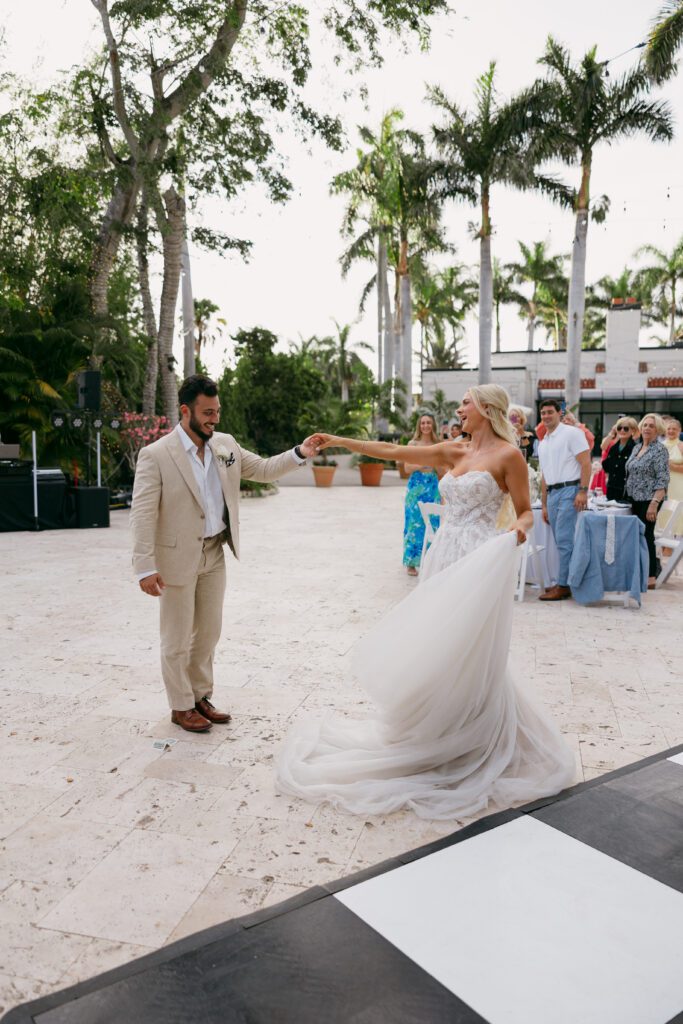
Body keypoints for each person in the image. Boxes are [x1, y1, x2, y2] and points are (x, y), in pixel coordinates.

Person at [275, 385, 574, 820]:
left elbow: (526, 510)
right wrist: (339, 441)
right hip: (442, 555)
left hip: (478, 559)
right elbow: (391, 449)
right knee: (435, 643)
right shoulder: (454, 450)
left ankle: (468, 733)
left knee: (464, 647)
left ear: (487, 410)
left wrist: (518, 533)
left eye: (465, 403)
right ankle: (434, 728)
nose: (459, 409)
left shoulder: (509, 457)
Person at [130, 374, 318, 733]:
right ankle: (180, 705)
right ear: (185, 411)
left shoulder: (225, 444)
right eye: (207, 413)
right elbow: (141, 514)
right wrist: (143, 567)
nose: (214, 420)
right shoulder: (155, 455)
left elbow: (261, 469)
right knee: (176, 637)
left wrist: (299, 453)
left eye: (217, 412)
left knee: (209, 632)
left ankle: (200, 695)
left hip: (214, 553)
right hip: (174, 559)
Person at [537, 398, 591, 601]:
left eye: (550, 412)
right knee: (560, 540)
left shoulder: (572, 434)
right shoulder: (544, 442)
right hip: (552, 493)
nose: (546, 416)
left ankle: (564, 585)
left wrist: (583, 491)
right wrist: (543, 503)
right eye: (543, 413)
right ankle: (564, 580)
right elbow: (544, 474)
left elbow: (585, 463)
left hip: (570, 490)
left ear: (560, 413)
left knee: (565, 540)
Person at [625, 414, 670, 588]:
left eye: (651, 426)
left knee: (646, 536)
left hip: (648, 500)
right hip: (633, 498)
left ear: (658, 430)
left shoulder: (659, 450)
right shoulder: (637, 448)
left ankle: (651, 576)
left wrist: (654, 503)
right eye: (645, 425)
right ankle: (639, 571)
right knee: (635, 536)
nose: (647, 428)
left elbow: (663, 479)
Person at [402, 413, 442, 576]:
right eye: (423, 423)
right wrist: (424, 464)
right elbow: (407, 468)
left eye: (429, 423)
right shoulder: (413, 444)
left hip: (432, 485)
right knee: (413, 523)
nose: (426, 426)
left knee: (433, 522)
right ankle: (411, 563)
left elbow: (439, 469)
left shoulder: (437, 444)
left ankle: (429, 561)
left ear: (433, 425)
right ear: (419, 425)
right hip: (416, 486)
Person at [602, 417, 638, 501]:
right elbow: (607, 467)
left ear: (632, 431)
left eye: (626, 428)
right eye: (619, 428)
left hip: (627, 494)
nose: (622, 430)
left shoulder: (636, 448)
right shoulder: (613, 448)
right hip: (611, 491)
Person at [663, 417, 683, 502]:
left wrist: (672, 466)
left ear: (679, 430)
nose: (671, 431)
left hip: (679, 484)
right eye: (669, 429)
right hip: (662, 485)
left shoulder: (681, 446)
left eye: (674, 429)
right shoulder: (659, 446)